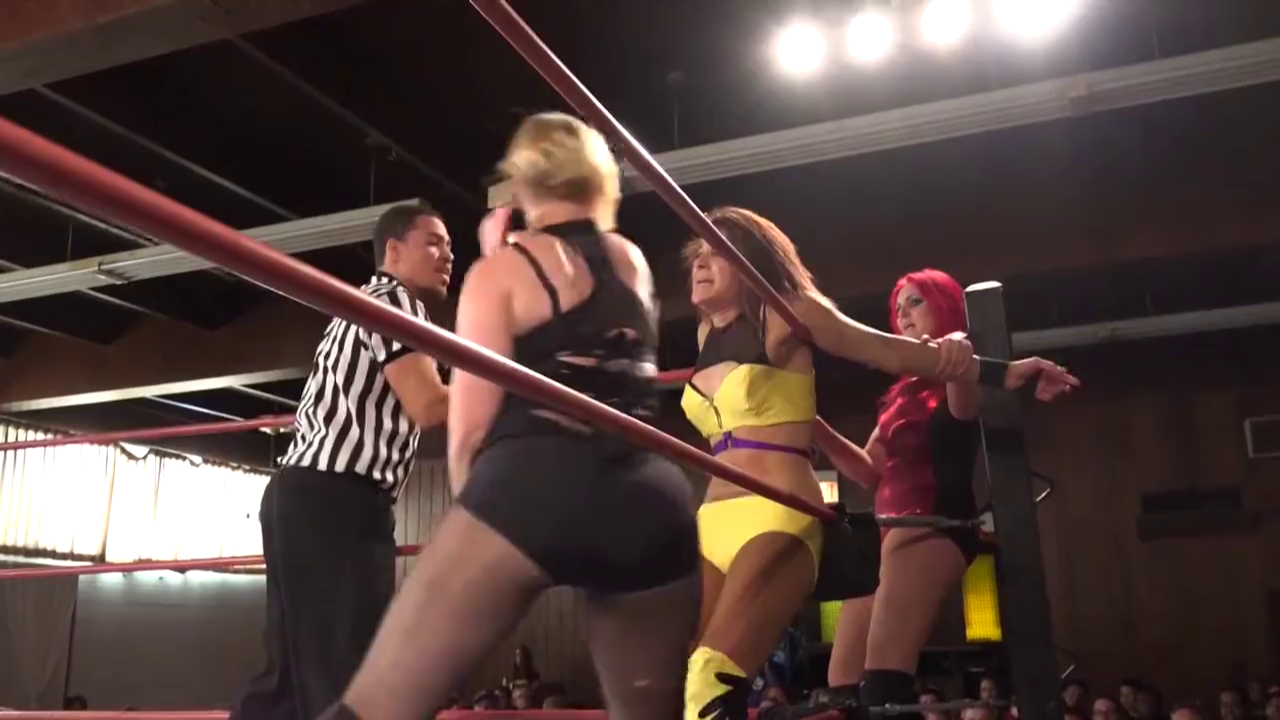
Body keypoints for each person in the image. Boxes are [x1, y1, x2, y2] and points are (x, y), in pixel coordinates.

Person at [322, 112, 700, 720]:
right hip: (649, 498)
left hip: (535, 483)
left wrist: (475, 522)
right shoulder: (632, 261)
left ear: (522, 183)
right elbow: (598, 343)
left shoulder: (499, 274)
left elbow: (470, 428)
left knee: (373, 709)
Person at [680, 210, 1078, 720]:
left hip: (905, 521)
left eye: (716, 252)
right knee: (808, 680)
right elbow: (869, 469)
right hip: (775, 518)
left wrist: (994, 369)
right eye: (697, 254)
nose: (699, 263)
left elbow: (886, 351)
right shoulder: (709, 337)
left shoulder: (787, 313)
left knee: (722, 680)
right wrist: (807, 420)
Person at [230, 202, 452, 720]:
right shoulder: (392, 301)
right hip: (338, 498)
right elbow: (429, 405)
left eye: (450, 247)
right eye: (434, 243)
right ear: (393, 250)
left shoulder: (362, 303)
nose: (447, 256)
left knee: (288, 677)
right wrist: (509, 386)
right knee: (345, 670)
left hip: (301, 494)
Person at [818, 269, 1074, 712]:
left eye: (915, 302)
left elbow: (962, 397)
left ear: (944, 305)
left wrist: (957, 345)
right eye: (898, 308)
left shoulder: (957, 374)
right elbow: (867, 470)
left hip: (932, 523)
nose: (904, 314)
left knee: (883, 681)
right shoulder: (901, 397)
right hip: (889, 531)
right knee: (841, 685)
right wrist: (810, 423)